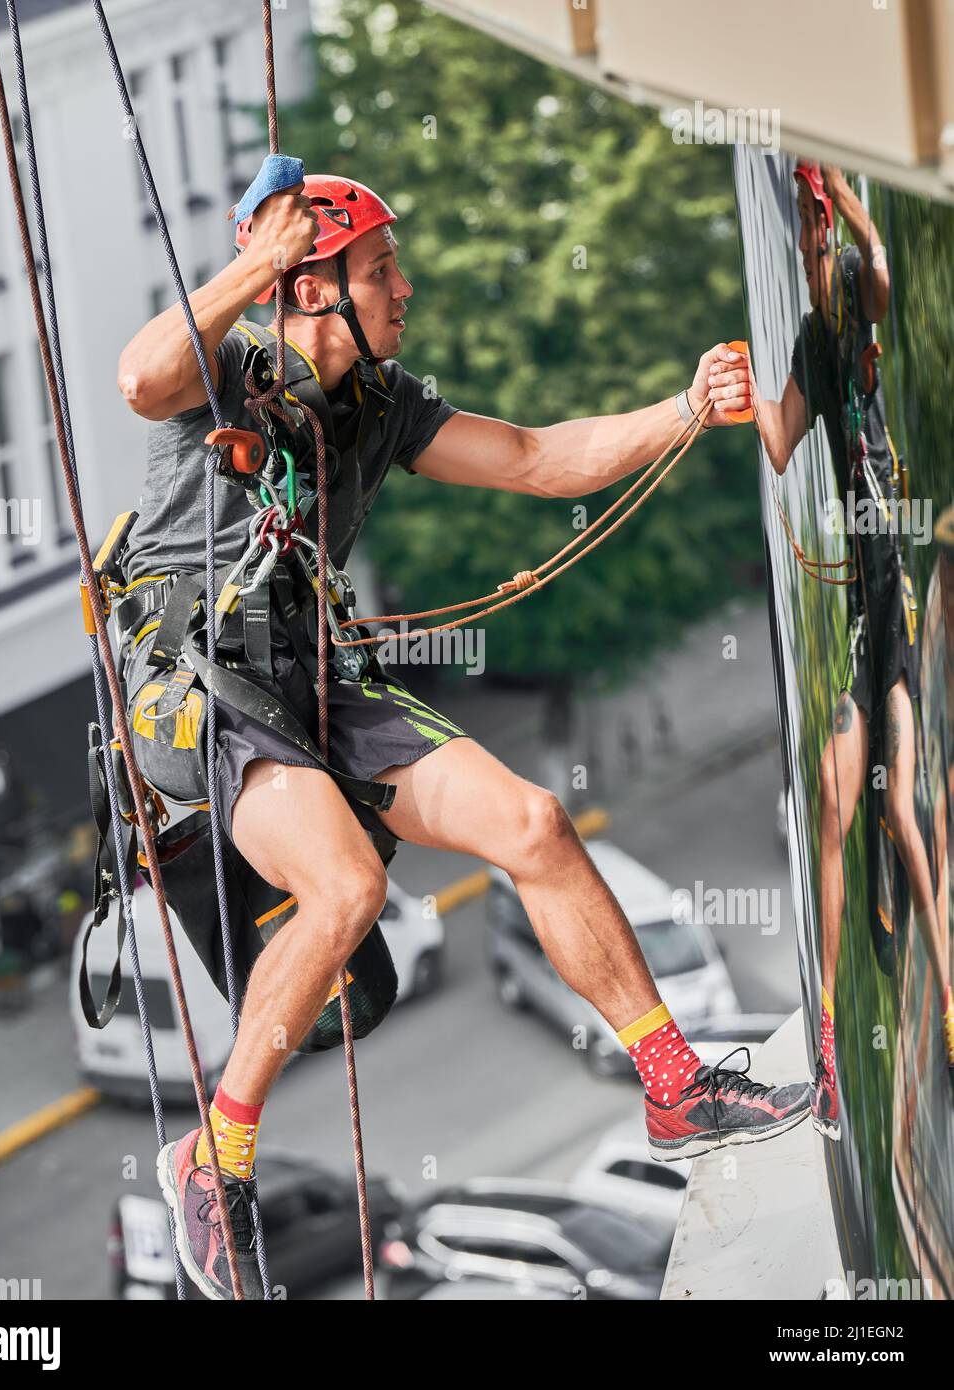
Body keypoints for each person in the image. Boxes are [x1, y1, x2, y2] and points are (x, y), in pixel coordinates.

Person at [116, 164, 811, 1300]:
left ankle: (675, 1083)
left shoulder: (384, 406)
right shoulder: (224, 377)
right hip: (196, 686)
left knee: (532, 821)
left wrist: (685, 408)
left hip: (311, 674)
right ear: (310, 291)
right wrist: (256, 261)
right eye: (380, 272)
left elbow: (539, 460)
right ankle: (213, 1156)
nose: (405, 292)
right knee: (341, 890)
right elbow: (137, 377)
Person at [748, 161, 953, 1141]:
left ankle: (951, 991)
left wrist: (845, 190)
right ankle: (828, 1042)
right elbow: (783, 443)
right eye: (804, 224)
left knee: (903, 809)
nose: (812, 239)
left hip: (893, 595)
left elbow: (877, 266)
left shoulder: (856, 316)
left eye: (814, 220)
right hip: (869, 605)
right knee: (840, 804)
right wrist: (737, 389)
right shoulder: (812, 338)